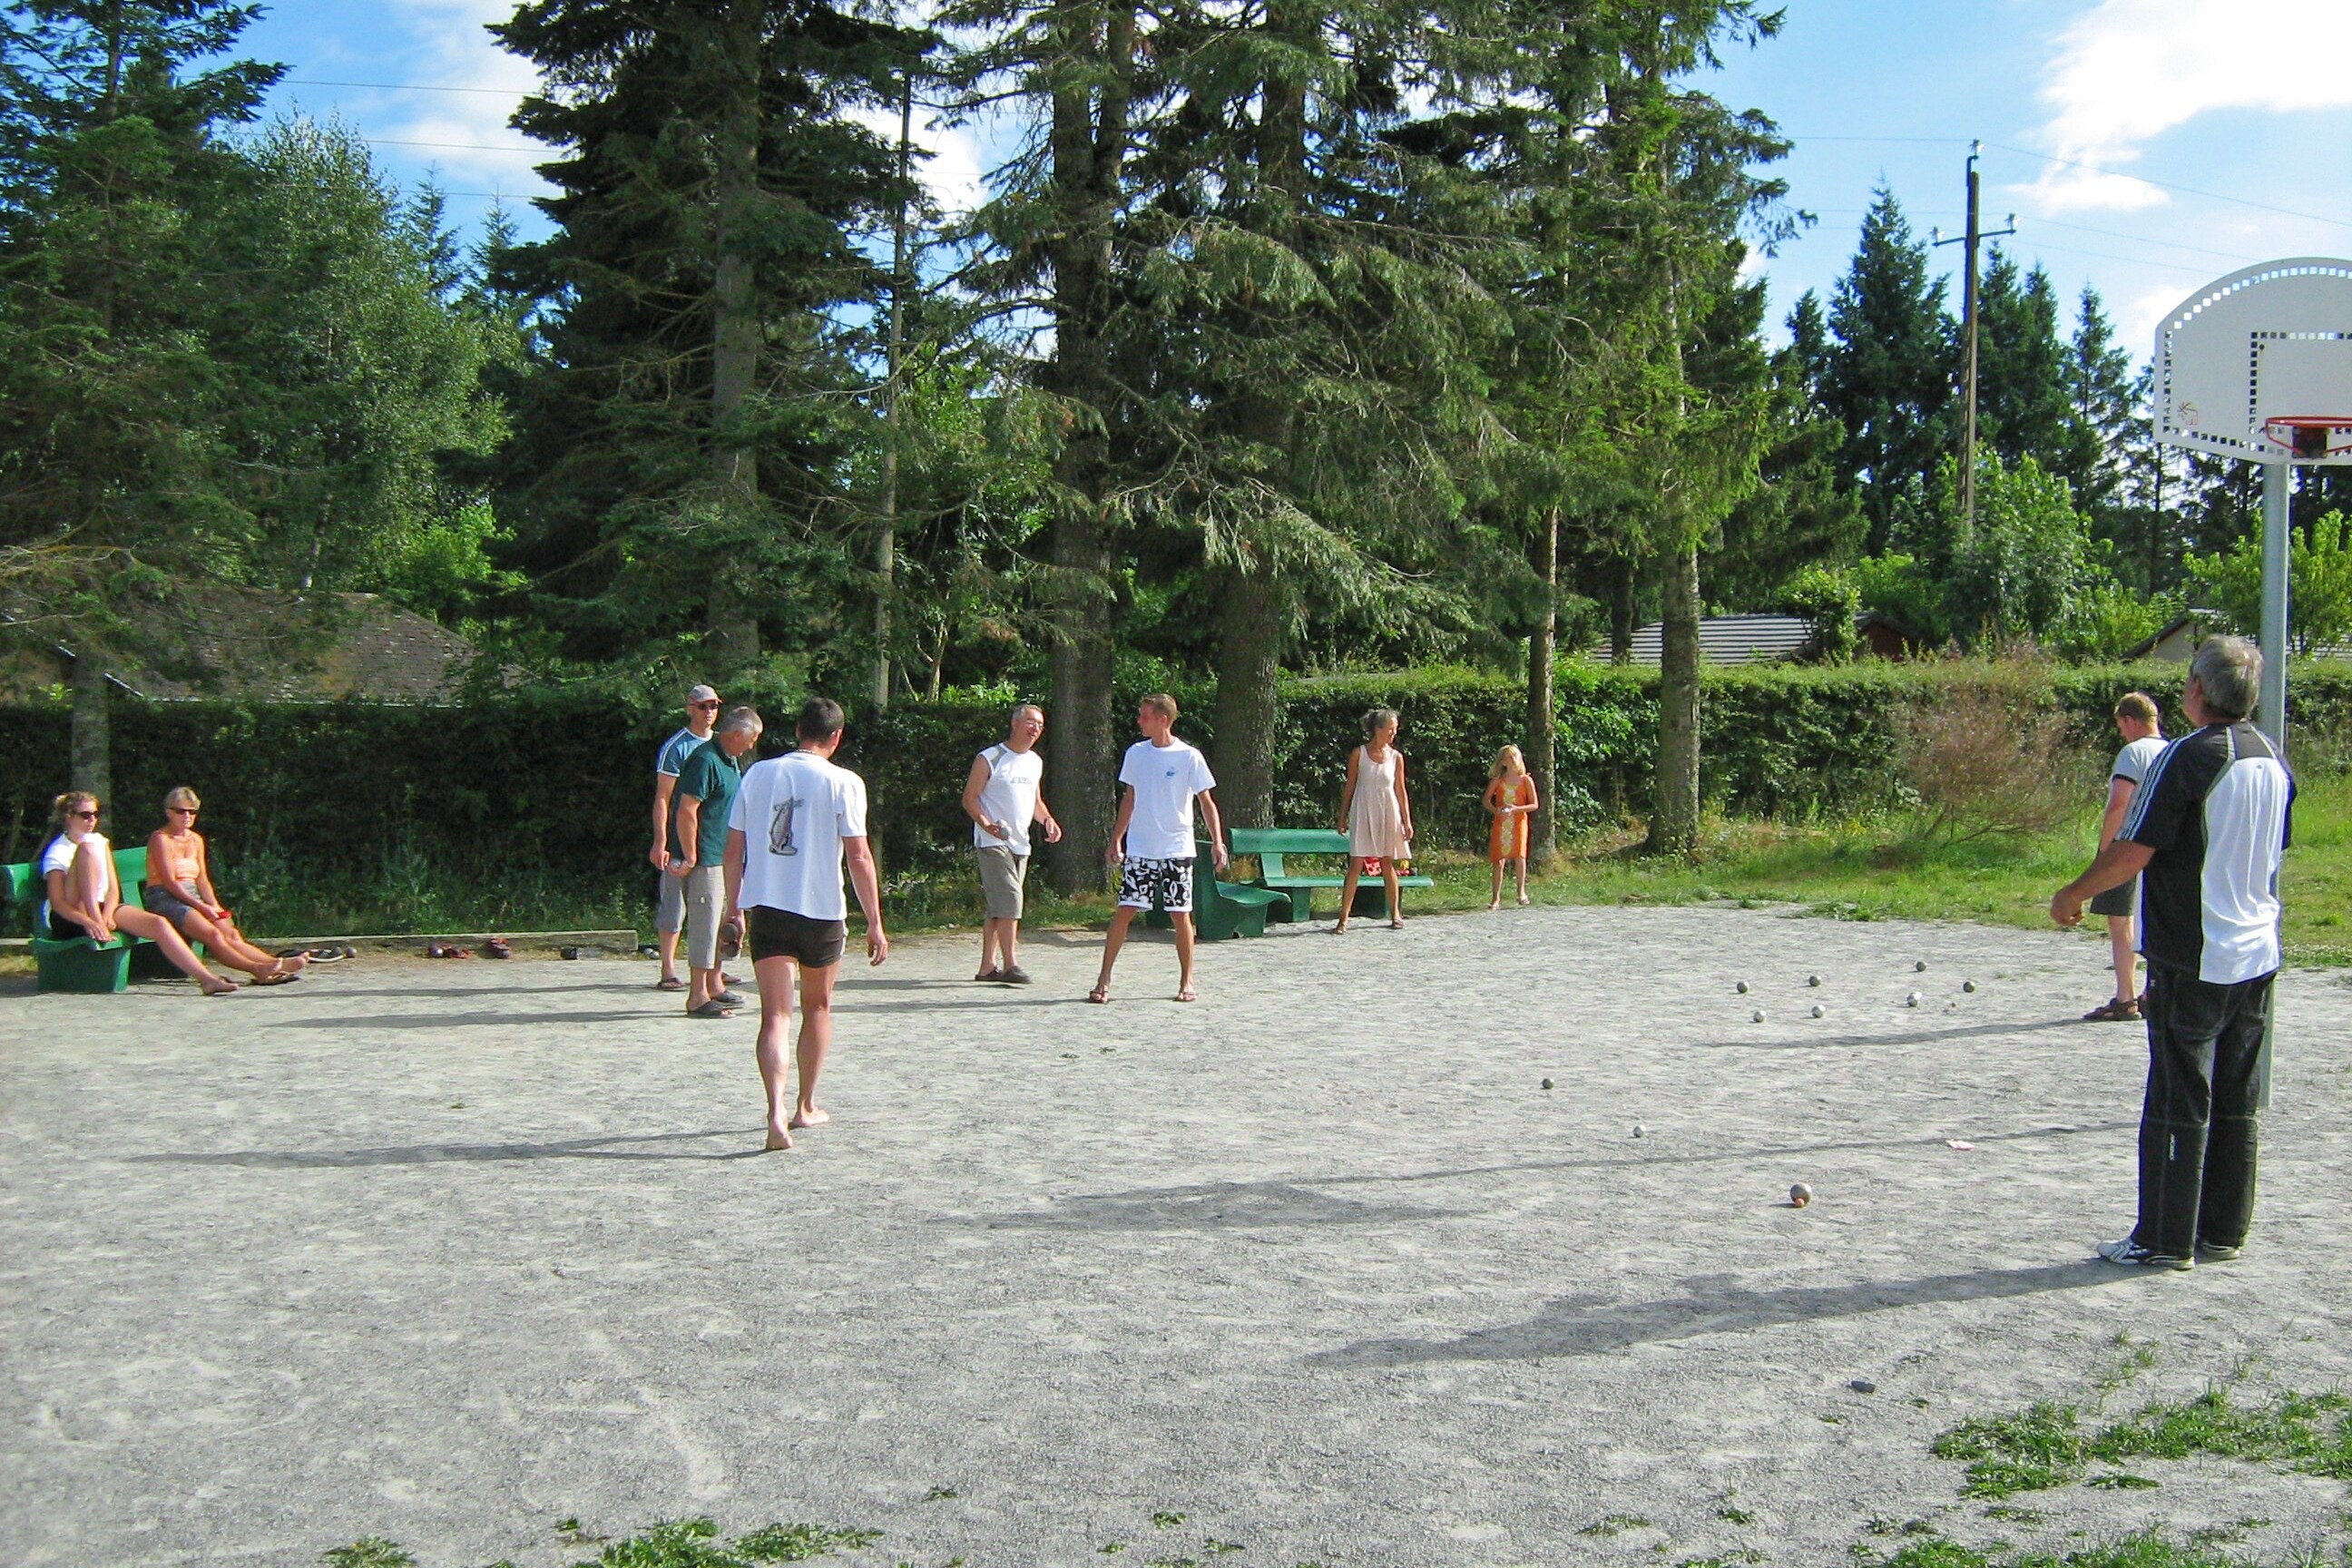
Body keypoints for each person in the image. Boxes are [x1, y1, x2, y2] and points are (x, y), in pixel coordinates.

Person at [2051, 637, 2294, 1271]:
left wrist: (2074, 891)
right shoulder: (2273, 757)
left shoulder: (2188, 757)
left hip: (2196, 950)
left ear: (2195, 689)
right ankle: (2222, 1232)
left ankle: (2163, 1238)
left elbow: (2136, 850)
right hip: (2258, 949)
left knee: (2176, 1096)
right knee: (2237, 1098)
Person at [723, 698, 888, 1152]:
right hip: (820, 910)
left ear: (797, 730)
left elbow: (734, 848)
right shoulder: (845, 782)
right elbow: (858, 855)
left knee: (774, 1015)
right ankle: (805, 1104)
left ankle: (774, 1110)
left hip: (769, 906)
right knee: (817, 1008)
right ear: (836, 737)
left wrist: (733, 907)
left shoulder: (758, 774)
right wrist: (874, 920)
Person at [1090, 693, 1226, 1004]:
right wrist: (1116, 839)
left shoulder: (1189, 756)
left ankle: (1187, 980)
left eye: (1145, 716)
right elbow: (1130, 797)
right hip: (1141, 848)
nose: (1139, 721)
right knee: (1124, 911)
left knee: (1181, 915)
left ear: (1163, 719)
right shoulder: (1136, 753)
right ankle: (1103, 980)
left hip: (1177, 848)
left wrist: (1217, 841)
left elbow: (1207, 802)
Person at [38, 792, 238, 995]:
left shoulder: (99, 841)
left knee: (158, 924)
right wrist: (91, 922)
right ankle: (95, 918)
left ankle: (206, 979)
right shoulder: (58, 851)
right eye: (86, 815)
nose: (92, 820)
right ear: (69, 816)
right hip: (71, 916)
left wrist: (107, 915)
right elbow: (59, 903)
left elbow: (113, 888)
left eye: (96, 814)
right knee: (87, 850)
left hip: (101, 908)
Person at [142, 787, 309, 985]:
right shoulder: (160, 839)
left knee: (230, 932)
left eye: (192, 811)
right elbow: (170, 882)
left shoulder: (196, 840)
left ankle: (274, 963)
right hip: (165, 896)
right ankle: (257, 969)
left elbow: (202, 879)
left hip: (192, 895)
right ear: (169, 812)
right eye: (181, 811)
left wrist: (215, 907)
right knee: (212, 934)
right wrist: (202, 907)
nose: (187, 816)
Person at [671, 706, 763, 1018]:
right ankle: (697, 996)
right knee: (706, 926)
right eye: (752, 739)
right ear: (736, 735)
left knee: (725, 925)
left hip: (725, 857)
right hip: (707, 858)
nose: (752, 746)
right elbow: (687, 810)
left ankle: (714, 984)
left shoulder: (731, 761)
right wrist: (691, 853)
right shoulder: (705, 760)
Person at [961, 702, 1062, 985]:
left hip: (1021, 844)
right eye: (1031, 723)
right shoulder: (990, 758)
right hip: (993, 842)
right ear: (1015, 723)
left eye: (1040, 726)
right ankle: (1011, 965)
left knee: (998, 907)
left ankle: (986, 968)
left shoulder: (1034, 762)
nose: (1035, 729)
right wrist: (986, 824)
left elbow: (1035, 802)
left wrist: (1048, 820)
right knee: (1011, 901)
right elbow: (970, 799)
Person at [2083, 693, 2166, 1023]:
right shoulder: (2173, 751)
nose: (2121, 733)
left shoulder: (2133, 753)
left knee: (2120, 922)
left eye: (2121, 726)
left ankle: (2125, 997)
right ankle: (2152, 992)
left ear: (2131, 720)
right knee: (2154, 920)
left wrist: (2105, 851)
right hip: (2164, 849)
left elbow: (2120, 803)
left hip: (2128, 843)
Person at [650, 683, 722, 991]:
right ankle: (667, 967)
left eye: (714, 706)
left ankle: (713, 971)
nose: (709, 712)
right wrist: (660, 841)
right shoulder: (677, 747)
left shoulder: (721, 745)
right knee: (674, 906)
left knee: (713, 907)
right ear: (690, 708)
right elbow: (664, 798)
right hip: (680, 840)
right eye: (703, 706)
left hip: (711, 840)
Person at [1334, 708, 1414, 934]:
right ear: (1377, 729)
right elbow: (1350, 786)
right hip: (1363, 809)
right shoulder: (1359, 754)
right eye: (1390, 729)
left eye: (1395, 729)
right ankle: (1343, 919)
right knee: (1356, 863)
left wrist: (1406, 821)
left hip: (1388, 810)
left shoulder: (1397, 757)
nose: (1393, 734)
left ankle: (1395, 914)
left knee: (1387, 862)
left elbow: (1400, 790)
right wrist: (1342, 816)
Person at [1484, 744, 1540, 911]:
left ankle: (1521, 892)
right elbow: (1486, 800)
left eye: (1515, 756)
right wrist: (1496, 810)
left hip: (1519, 822)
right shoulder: (1498, 781)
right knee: (1498, 860)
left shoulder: (1526, 780)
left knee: (1520, 856)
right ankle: (1495, 898)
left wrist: (1516, 809)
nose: (1513, 760)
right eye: (1509, 757)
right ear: (1503, 762)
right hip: (1502, 823)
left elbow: (1534, 804)